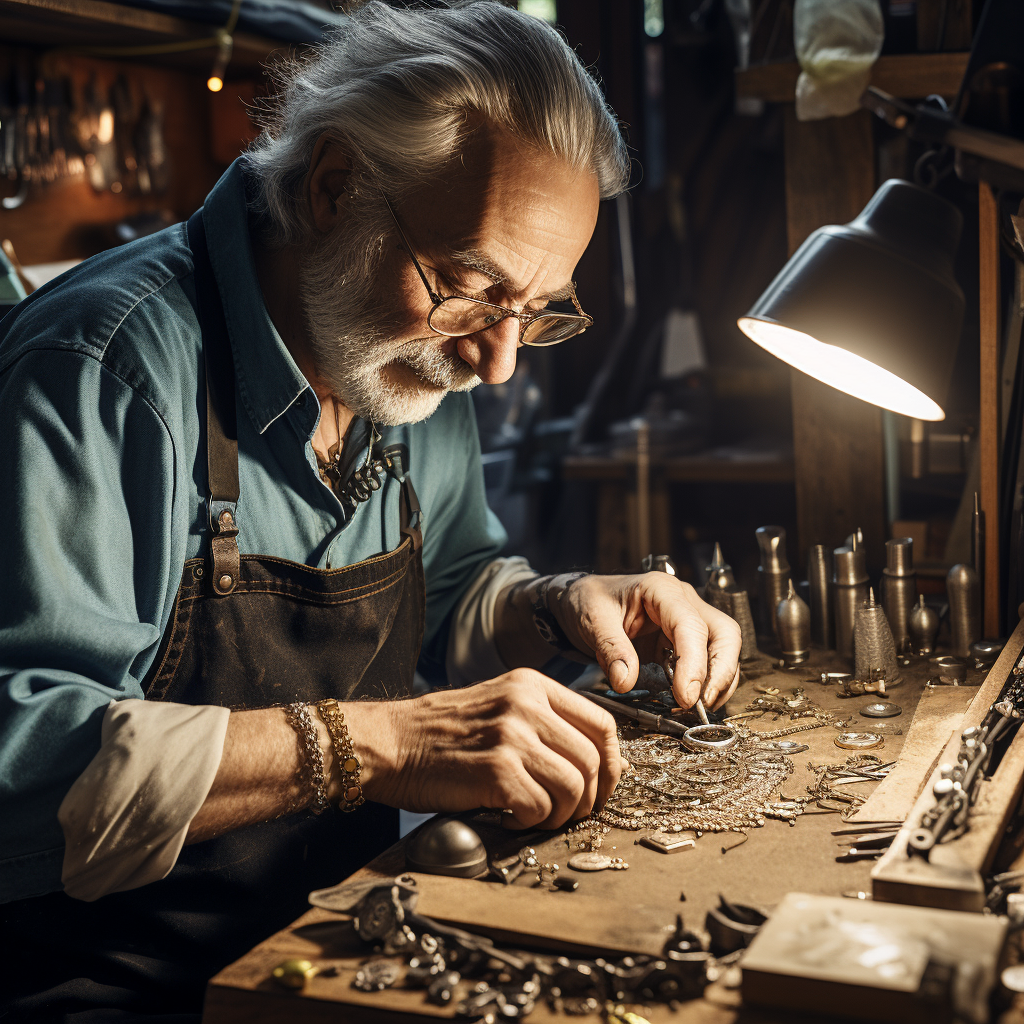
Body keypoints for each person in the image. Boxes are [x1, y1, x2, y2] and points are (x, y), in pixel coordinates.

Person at [0, 2, 741, 1019]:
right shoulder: (104, 371)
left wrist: (567, 604)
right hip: (112, 982)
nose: (496, 358)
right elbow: (21, 767)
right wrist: (371, 745)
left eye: (536, 311)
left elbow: (447, 592)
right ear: (335, 186)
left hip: (334, 945)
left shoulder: (405, 364)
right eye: (469, 287)